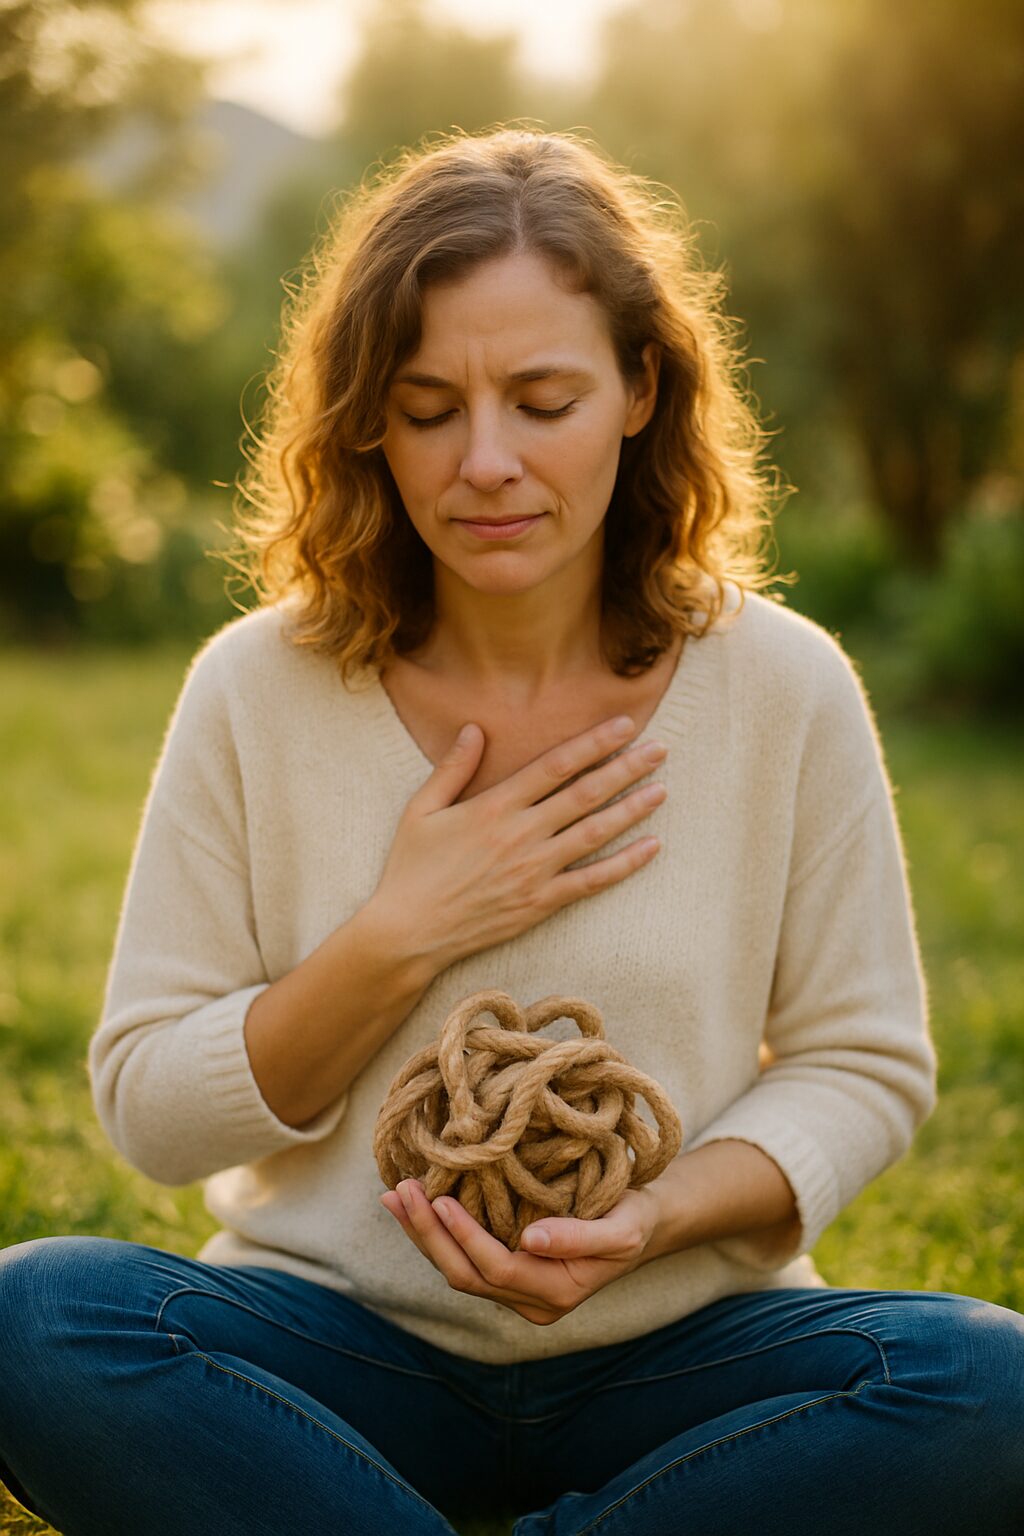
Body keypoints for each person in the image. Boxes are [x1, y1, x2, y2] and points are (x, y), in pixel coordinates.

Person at [0, 126, 1020, 1536]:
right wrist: (401, 934)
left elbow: (863, 1062)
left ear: (641, 388)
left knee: (989, 1383)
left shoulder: (784, 687)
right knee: (33, 1320)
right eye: (428, 409)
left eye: (544, 401)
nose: (486, 462)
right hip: (341, 1344)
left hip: (680, 1348)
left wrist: (656, 1218)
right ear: (368, 419)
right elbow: (150, 1106)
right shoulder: (257, 688)